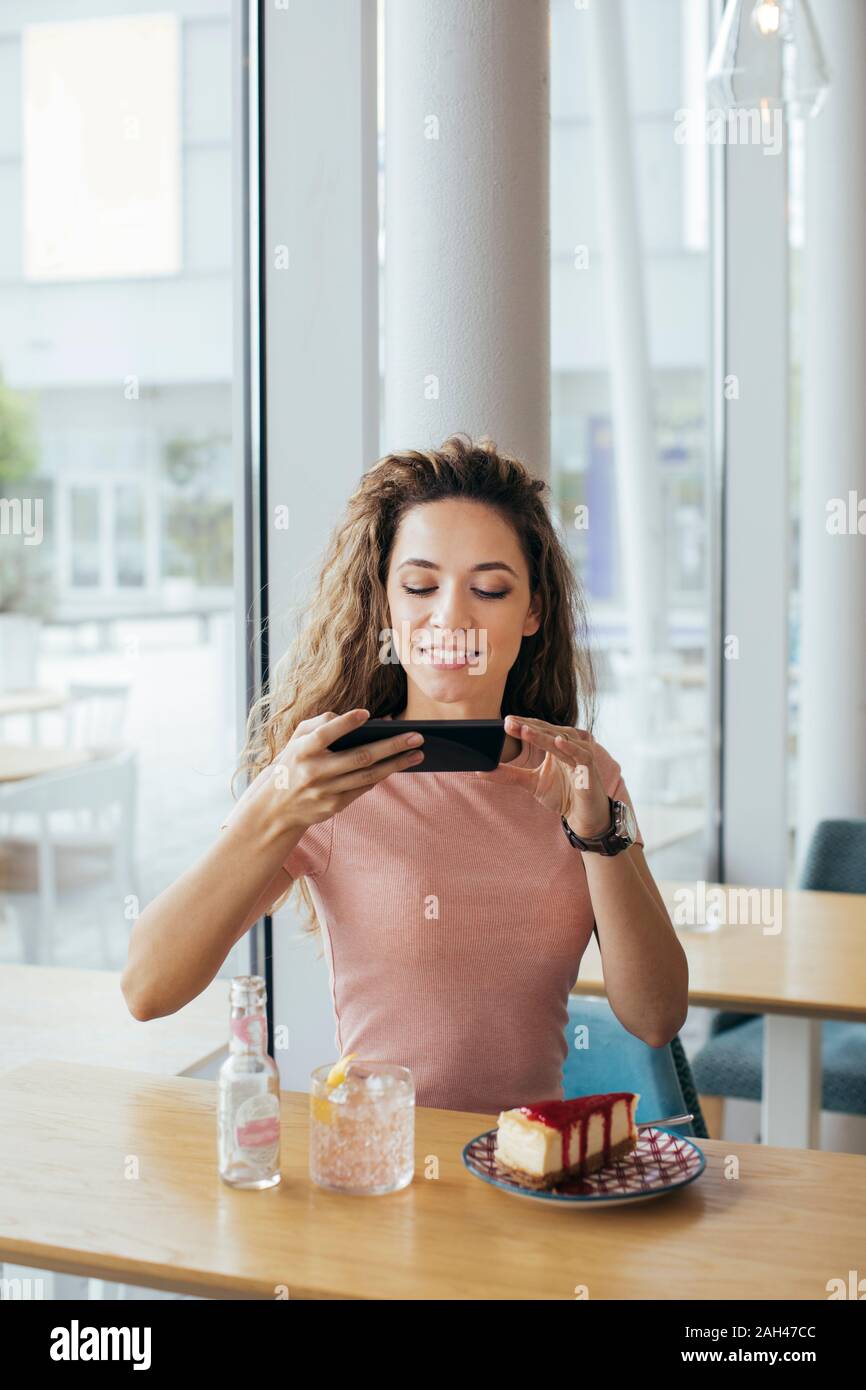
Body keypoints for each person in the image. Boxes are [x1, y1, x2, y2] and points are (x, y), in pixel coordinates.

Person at [122, 434, 688, 1114]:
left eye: (489, 588)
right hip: (375, 1154)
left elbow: (656, 1017)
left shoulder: (581, 776)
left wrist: (598, 836)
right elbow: (147, 988)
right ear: (385, 601)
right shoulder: (330, 777)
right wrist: (277, 804)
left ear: (532, 610)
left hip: (524, 1162)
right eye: (420, 586)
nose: (450, 617)